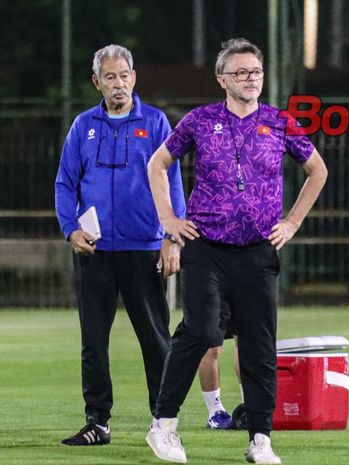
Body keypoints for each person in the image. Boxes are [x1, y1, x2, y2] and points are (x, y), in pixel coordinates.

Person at [145, 38, 327, 464]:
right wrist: (169, 221)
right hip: (206, 247)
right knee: (204, 330)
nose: (250, 79)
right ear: (222, 78)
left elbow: (318, 169)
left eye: (256, 72)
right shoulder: (199, 120)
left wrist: (293, 222)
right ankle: (164, 425)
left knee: (260, 344)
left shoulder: (280, 122)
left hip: (258, 251)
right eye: (241, 72)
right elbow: (157, 165)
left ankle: (260, 438)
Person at [54, 44, 186, 446]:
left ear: (134, 77)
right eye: (109, 77)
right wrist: (70, 229)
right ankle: (98, 421)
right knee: (93, 340)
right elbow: (65, 183)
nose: (118, 83)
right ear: (97, 82)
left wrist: (171, 237)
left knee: (156, 338)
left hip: (144, 247)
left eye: (124, 75)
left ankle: (164, 424)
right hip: (95, 250)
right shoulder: (82, 126)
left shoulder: (158, 123)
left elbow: (173, 182)